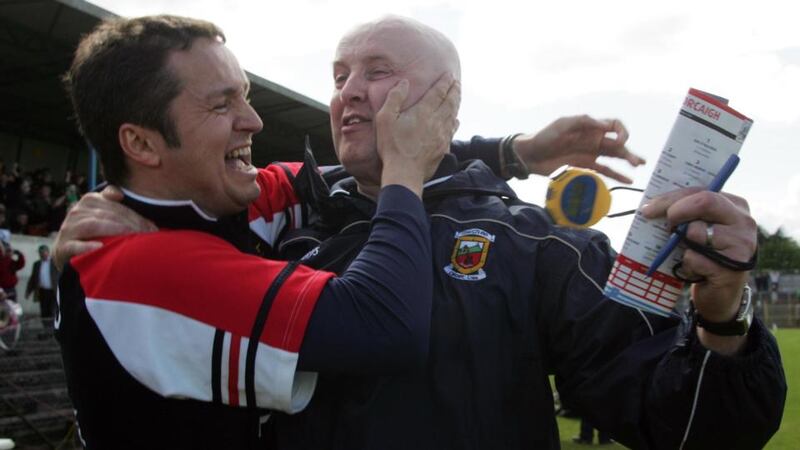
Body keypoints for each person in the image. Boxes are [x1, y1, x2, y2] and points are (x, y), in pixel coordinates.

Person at [55, 15, 786, 450]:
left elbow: (685, 426)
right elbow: (378, 316)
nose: (346, 92)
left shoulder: (540, 245)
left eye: (377, 71)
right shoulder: (277, 223)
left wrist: (725, 317)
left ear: (445, 104)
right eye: (339, 74)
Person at [55, 14, 459, 449]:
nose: (253, 120)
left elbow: (339, 170)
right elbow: (386, 322)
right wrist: (404, 171)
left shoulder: (209, 198)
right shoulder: (137, 267)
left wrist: (511, 152)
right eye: (221, 104)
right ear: (142, 144)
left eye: (244, 95)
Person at [25, 244, 58, 329]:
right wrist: (28, 292)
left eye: (43, 252)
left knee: (52, 311)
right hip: (42, 291)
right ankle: (46, 330)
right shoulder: (37, 264)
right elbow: (33, 279)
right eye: (40, 253)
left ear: (48, 252)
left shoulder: (54, 263)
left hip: (53, 291)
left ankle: (52, 330)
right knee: (44, 312)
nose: (42, 254)